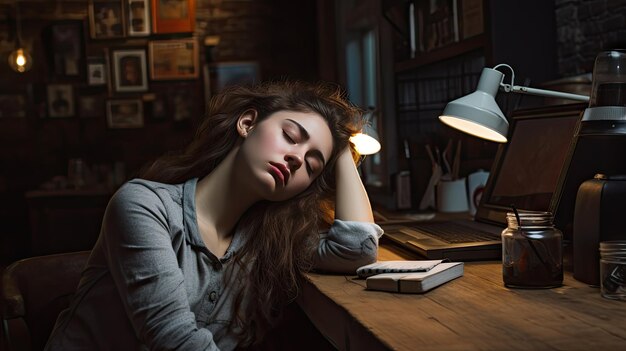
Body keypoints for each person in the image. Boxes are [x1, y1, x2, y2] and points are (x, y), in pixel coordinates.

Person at [45, 81, 383, 350]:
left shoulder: (269, 241)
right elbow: (174, 341)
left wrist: (341, 150)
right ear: (247, 123)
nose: (296, 159)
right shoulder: (143, 206)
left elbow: (357, 248)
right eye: (290, 136)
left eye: (311, 165)